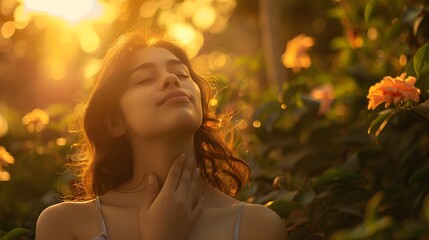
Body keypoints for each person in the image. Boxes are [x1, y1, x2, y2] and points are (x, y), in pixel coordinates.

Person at [35, 30, 287, 240]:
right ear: (115, 122)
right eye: (144, 79)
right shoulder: (64, 225)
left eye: (181, 74)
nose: (170, 79)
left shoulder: (260, 227)